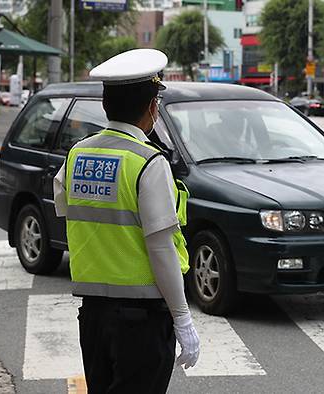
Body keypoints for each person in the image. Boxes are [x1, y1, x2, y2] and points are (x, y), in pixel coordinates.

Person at [53, 48, 200, 393]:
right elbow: (161, 246)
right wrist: (182, 317)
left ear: (106, 105)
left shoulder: (78, 153)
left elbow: (68, 210)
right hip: (142, 319)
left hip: (93, 315)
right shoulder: (148, 162)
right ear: (152, 107)